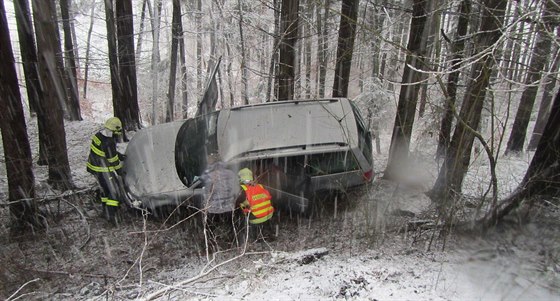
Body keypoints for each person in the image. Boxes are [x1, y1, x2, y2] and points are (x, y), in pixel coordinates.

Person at [86, 117, 126, 224]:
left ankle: (105, 211)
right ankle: (112, 216)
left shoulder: (99, 135)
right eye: (116, 132)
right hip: (102, 170)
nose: (117, 135)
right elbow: (112, 160)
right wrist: (120, 171)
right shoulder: (109, 142)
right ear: (113, 130)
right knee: (114, 192)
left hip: (94, 168)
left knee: (105, 190)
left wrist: (119, 155)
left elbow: (106, 152)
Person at [199, 153, 240, 250]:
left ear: (210, 163)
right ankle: (233, 244)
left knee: (209, 229)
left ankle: (209, 246)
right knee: (231, 226)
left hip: (214, 209)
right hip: (229, 207)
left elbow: (207, 193)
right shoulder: (231, 173)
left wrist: (205, 206)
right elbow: (236, 190)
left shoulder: (209, 176)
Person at [237, 168, 275, 243]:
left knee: (242, 209)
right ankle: (268, 234)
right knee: (265, 225)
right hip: (268, 214)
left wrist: (245, 210)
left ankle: (257, 238)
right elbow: (269, 197)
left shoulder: (242, 189)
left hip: (256, 217)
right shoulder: (261, 186)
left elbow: (241, 203)